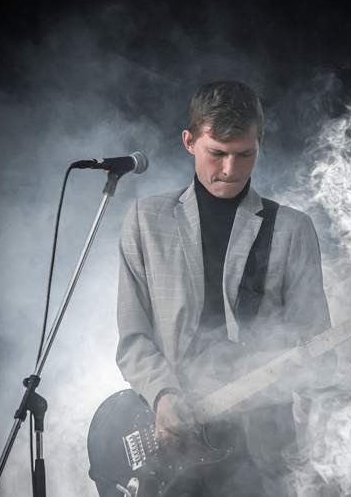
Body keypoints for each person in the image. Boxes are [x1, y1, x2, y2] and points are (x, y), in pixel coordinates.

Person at [115, 80, 332, 496]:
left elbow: (315, 342)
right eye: (217, 153)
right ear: (189, 141)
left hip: (263, 450)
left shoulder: (291, 229)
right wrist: (163, 396)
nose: (231, 170)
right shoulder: (146, 220)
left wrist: (307, 373)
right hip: (170, 441)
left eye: (244, 155)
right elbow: (133, 338)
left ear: (258, 146)